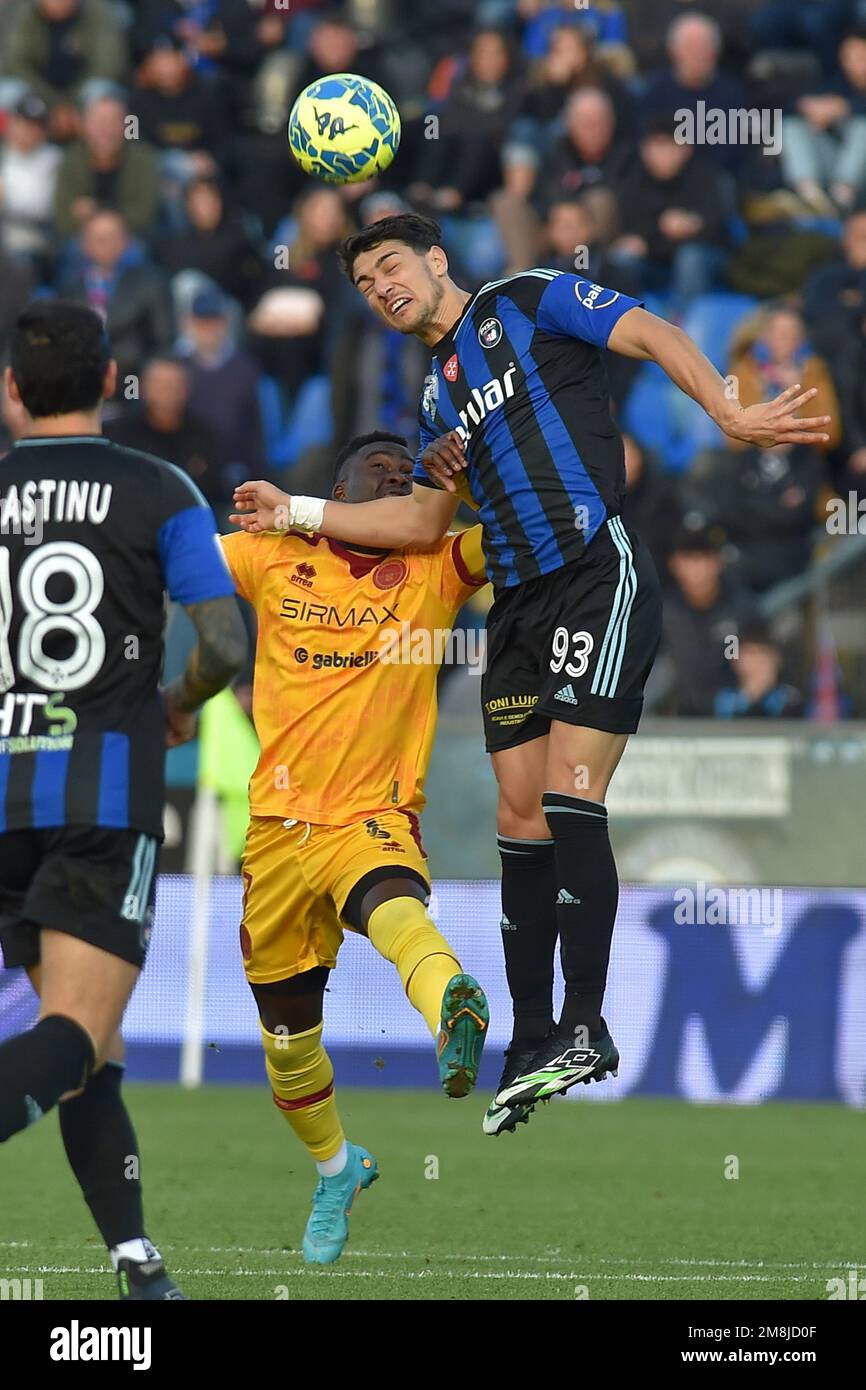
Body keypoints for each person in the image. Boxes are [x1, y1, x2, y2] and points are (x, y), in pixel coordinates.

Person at [230, 212, 831, 1136]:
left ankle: (589, 1023)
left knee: (568, 794)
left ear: (436, 260)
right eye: (365, 284)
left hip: (594, 569)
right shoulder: (438, 398)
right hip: (514, 602)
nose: (383, 288)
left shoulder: (529, 298)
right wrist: (296, 510)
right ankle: (533, 1035)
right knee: (518, 811)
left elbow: (653, 331)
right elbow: (422, 529)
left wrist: (723, 407)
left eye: (392, 266)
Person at [0, 300, 247, 1298]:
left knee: (92, 1044)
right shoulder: (160, 488)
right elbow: (225, 643)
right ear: (111, 382)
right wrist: (179, 701)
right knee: (71, 1037)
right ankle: (141, 1268)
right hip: (101, 799)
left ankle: (139, 1264)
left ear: (11, 389)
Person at [220, 430, 490, 1264]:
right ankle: (338, 1170)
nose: (394, 482)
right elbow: (164, 553)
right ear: (333, 487)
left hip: (369, 815)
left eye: (405, 476)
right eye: (376, 473)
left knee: (391, 904)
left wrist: (464, 478)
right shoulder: (272, 553)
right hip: (274, 830)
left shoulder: (438, 565)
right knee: (288, 1034)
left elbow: (536, 522)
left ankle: (454, 1005)